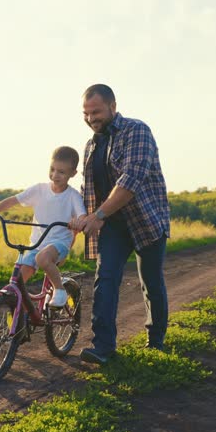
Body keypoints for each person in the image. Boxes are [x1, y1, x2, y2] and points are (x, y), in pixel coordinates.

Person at [71, 84, 171, 364]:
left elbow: (130, 181)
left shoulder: (137, 131)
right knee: (106, 279)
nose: (91, 118)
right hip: (112, 224)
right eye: (86, 113)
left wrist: (98, 216)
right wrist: (79, 214)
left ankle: (156, 341)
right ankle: (103, 348)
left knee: (151, 281)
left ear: (113, 106)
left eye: (97, 112)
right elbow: (87, 188)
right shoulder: (91, 145)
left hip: (146, 219)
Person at [0, 147, 86, 308]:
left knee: (42, 258)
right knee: (18, 281)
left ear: (73, 173)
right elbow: (13, 200)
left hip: (59, 244)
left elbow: (82, 216)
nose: (55, 175)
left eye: (61, 172)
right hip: (36, 244)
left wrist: (78, 222)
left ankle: (60, 290)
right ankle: (24, 319)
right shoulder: (39, 189)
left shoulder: (73, 196)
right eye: (52, 169)